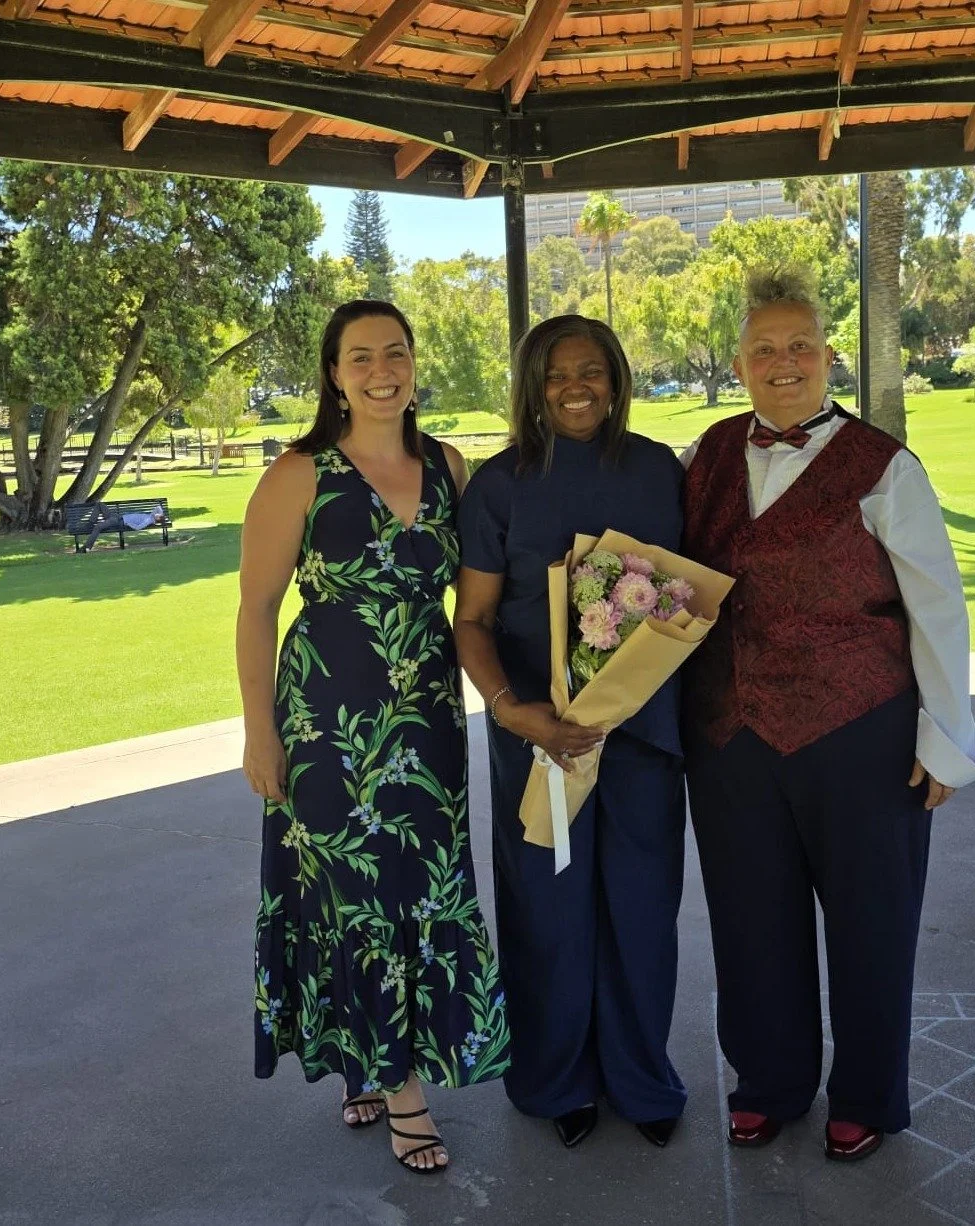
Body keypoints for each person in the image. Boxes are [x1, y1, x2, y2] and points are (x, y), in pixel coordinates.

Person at [680, 266, 975, 1162]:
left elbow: (938, 606)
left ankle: (865, 1092)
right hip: (732, 736)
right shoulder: (703, 457)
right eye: (765, 349)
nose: (785, 363)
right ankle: (770, 1082)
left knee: (871, 919)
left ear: (829, 357)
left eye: (801, 347)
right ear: (738, 364)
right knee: (750, 919)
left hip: (861, 733)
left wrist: (946, 741)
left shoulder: (883, 465)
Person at [237, 300, 509, 1175]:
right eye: (361, 357)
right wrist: (258, 734)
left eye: (395, 352)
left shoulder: (450, 468)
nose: (381, 368)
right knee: (348, 895)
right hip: (325, 723)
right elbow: (255, 609)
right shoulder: (299, 472)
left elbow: (479, 595)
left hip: (425, 719)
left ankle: (369, 1060)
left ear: (414, 364)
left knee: (420, 889)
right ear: (334, 373)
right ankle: (402, 1092)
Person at [454, 315, 688, 1150]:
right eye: (558, 374)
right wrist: (514, 711)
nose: (576, 386)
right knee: (547, 913)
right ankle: (558, 1080)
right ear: (533, 385)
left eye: (592, 370)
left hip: (645, 737)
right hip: (534, 738)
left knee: (639, 909)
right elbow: (472, 620)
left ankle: (640, 1076)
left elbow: (686, 597)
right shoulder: (499, 485)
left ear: (618, 379)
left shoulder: (661, 471)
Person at [77, 501, 164, 552]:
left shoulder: (148, 520)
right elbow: (158, 507)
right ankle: (90, 523)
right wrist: (161, 514)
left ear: (157, 519)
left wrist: (128, 523)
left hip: (118, 521)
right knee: (100, 505)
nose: (157, 514)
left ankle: (87, 547)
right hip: (117, 517)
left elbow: (138, 527)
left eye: (158, 516)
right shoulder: (152, 515)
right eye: (158, 515)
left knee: (98, 527)